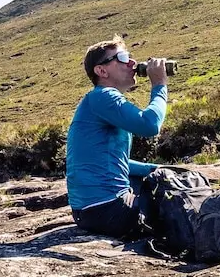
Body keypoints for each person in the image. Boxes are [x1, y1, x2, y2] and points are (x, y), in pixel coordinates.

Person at [65, 38, 173, 238]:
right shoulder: (104, 96)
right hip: (109, 209)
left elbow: (108, 161)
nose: (132, 62)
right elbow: (150, 125)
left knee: (156, 180)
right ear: (101, 71)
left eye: (130, 56)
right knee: (177, 198)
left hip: (88, 212)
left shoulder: (96, 100)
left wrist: (153, 168)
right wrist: (159, 85)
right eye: (122, 58)